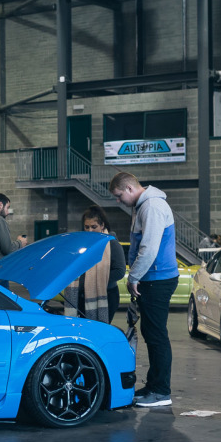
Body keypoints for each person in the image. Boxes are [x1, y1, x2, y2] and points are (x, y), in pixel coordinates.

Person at [109, 172, 179, 408]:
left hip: (158, 280)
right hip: (153, 279)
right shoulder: (142, 207)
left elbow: (149, 248)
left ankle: (161, 391)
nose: (119, 201)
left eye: (119, 196)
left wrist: (134, 276)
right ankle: (153, 386)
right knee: (151, 333)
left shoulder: (152, 207)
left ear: (129, 188)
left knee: (157, 335)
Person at [63, 207, 125, 322]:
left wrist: (94, 280)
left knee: (99, 331)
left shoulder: (112, 244)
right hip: (82, 296)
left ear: (102, 225)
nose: (90, 230)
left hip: (106, 295)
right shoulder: (83, 244)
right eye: (87, 227)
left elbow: (119, 271)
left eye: (94, 227)